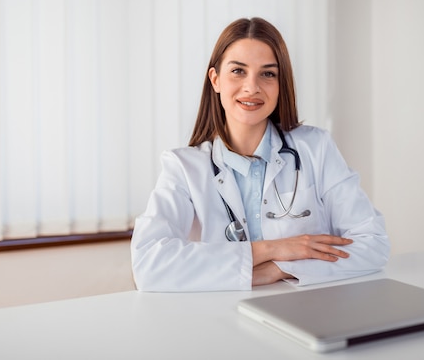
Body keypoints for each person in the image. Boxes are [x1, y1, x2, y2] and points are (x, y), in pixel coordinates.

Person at [131, 17, 390, 292]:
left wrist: (279, 269)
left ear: (281, 84)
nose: (252, 87)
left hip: (306, 312)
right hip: (219, 317)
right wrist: (270, 250)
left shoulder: (316, 148)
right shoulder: (183, 167)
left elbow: (373, 243)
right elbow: (148, 264)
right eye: (238, 71)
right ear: (215, 80)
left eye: (267, 74)